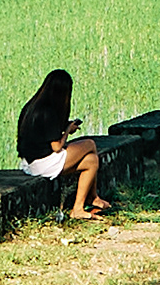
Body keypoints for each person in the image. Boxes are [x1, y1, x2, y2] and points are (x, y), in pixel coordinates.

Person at [16, 68, 111, 218]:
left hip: (29, 163)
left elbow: (43, 134)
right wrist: (67, 130)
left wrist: (64, 127)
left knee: (91, 161)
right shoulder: (49, 112)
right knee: (90, 144)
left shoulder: (32, 107)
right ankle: (91, 198)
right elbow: (57, 147)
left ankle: (80, 207)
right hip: (43, 163)